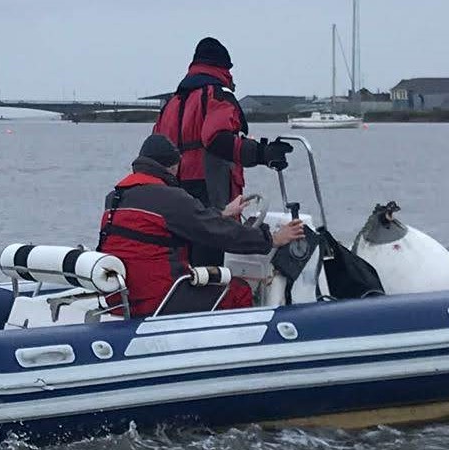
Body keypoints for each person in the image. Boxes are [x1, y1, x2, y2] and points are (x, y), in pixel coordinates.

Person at [98, 135, 305, 315]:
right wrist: (272, 239)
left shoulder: (115, 197)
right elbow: (220, 233)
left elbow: (191, 222)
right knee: (238, 290)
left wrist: (223, 212)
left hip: (120, 299)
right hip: (160, 299)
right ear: (172, 166)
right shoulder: (170, 198)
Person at [151, 36, 294, 211]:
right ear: (223, 68)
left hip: (173, 200)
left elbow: (154, 150)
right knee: (220, 233)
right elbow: (216, 139)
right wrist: (263, 153)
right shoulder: (217, 95)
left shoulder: (170, 104)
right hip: (211, 195)